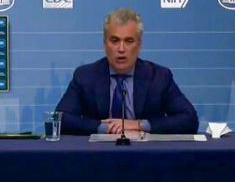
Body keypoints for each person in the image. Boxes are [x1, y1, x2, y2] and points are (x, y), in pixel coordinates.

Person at [55, 8, 199, 135]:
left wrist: (139, 125)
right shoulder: (86, 76)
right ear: (105, 43)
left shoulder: (159, 77)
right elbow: (61, 119)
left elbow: (189, 119)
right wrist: (104, 127)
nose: (121, 49)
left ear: (139, 44)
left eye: (129, 41)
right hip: (97, 155)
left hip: (147, 156)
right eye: (115, 40)